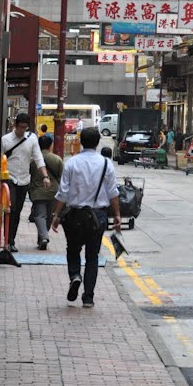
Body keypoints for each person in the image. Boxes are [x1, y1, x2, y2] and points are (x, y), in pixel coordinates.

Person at [51, 127, 122, 308]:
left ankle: (75, 275)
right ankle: (88, 297)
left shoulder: (72, 163)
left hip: (74, 215)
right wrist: (118, 215)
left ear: (81, 141)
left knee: (73, 250)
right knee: (93, 256)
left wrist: (56, 215)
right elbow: (113, 192)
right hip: (97, 216)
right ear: (98, 143)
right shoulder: (106, 164)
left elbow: (63, 192)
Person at [1, 112, 51, 252]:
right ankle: (7, 240)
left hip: (24, 180)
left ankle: (11, 240)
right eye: (20, 127)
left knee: (17, 211)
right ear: (15, 125)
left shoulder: (32, 139)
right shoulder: (5, 140)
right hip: (9, 178)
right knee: (11, 209)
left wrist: (45, 176)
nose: (22, 130)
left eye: (25, 128)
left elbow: (38, 158)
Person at [29, 134, 63, 250]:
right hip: (53, 192)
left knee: (39, 215)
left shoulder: (33, 161)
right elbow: (62, 177)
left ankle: (43, 238)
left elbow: (30, 174)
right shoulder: (57, 159)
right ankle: (43, 237)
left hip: (37, 191)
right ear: (51, 145)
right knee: (48, 216)